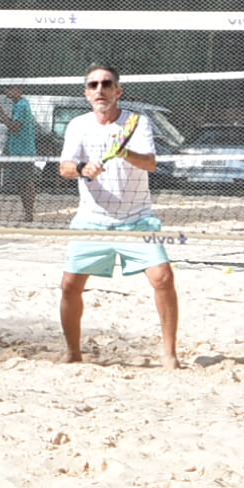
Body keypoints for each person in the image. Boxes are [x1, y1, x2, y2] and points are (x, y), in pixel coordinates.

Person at [56, 65, 181, 369]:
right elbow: (64, 168)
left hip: (136, 219)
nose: (100, 89)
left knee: (163, 279)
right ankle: (73, 352)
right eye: (93, 85)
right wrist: (83, 168)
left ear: (117, 91)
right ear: (87, 93)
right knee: (70, 286)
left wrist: (124, 152)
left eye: (106, 84)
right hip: (91, 219)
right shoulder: (77, 125)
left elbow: (150, 164)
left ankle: (169, 354)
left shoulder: (137, 122)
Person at [1, 84, 42, 223]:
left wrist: (1, 114)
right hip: (18, 150)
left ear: (19, 90)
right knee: (20, 182)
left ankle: (29, 213)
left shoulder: (22, 105)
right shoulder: (19, 105)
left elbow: (15, 127)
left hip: (23, 151)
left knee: (25, 182)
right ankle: (27, 212)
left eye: (10, 88)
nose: (7, 91)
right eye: (7, 88)